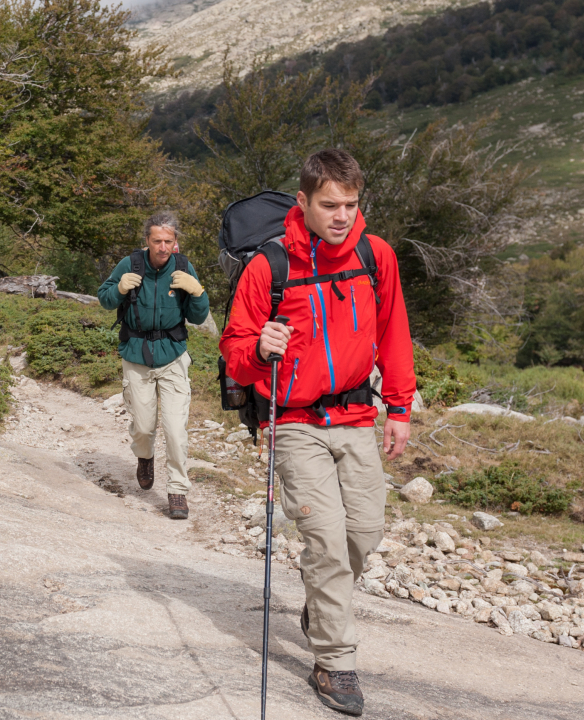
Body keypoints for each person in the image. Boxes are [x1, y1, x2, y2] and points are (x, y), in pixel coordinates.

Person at [219, 149, 415, 717]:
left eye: (351, 205)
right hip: (296, 421)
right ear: (302, 203)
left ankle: (319, 608)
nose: (342, 216)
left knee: (366, 532)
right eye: (330, 205)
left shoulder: (376, 257)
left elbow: (394, 331)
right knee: (326, 542)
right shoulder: (270, 268)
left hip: (357, 417)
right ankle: (334, 663)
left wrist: (399, 408)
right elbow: (234, 352)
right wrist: (258, 349)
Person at [97, 211, 211, 520]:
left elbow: (199, 318)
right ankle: (144, 457)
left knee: (175, 430)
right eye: (157, 240)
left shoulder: (184, 268)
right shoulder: (131, 265)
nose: (162, 247)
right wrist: (119, 288)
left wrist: (198, 291)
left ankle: (177, 490)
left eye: (168, 241)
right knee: (145, 428)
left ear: (176, 242)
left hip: (173, 355)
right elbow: (104, 299)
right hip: (136, 354)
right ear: (147, 240)